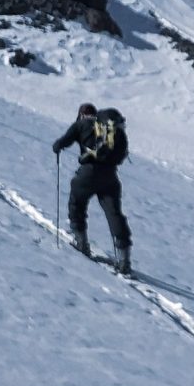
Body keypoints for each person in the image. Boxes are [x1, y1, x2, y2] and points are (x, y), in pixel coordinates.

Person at [52, 102, 132, 273]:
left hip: (88, 173)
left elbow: (61, 143)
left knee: (77, 203)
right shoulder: (106, 128)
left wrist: (57, 147)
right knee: (114, 214)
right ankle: (124, 259)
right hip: (110, 175)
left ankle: (81, 243)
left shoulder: (80, 124)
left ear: (81, 115)